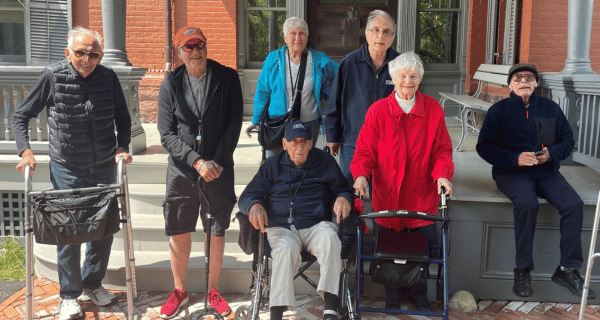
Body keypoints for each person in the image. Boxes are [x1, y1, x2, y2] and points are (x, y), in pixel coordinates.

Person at [11, 26, 132, 320]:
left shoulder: (108, 77)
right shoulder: (52, 76)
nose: (87, 59)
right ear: (68, 53)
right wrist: (25, 151)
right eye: (81, 53)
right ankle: (68, 295)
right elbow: (20, 115)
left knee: (103, 230)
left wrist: (123, 147)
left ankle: (93, 283)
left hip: (104, 165)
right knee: (69, 233)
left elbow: (123, 118)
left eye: (94, 54)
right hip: (67, 166)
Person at [476, 63, 596, 300]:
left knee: (573, 204)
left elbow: (567, 139)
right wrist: (515, 158)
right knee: (527, 204)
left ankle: (568, 269)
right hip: (511, 172)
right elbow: (484, 147)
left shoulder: (550, 108)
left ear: (536, 84)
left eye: (529, 78)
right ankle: (522, 270)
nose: (524, 81)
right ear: (510, 84)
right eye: (518, 77)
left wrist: (552, 153)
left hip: (547, 171)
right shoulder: (498, 111)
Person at [351, 52, 454, 311]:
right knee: (389, 246)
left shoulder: (432, 109)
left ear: (420, 80)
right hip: (388, 192)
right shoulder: (378, 111)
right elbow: (365, 150)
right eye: (402, 76)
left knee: (422, 244)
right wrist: (361, 174)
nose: (408, 81)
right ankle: (393, 293)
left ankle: (419, 292)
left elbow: (442, 149)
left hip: (421, 191)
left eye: (414, 76)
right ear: (392, 78)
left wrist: (443, 174)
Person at [157, 26, 243, 319]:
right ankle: (179, 290)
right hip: (183, 169)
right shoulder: (170, 83)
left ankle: (213, 290)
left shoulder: (227, 77)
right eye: (189, 47)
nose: (196, 51)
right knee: (179, 228)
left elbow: (234, 122)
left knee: (216, 229)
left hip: (219, 168)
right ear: (179, 52)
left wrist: (217, 161)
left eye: (200, 45)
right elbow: (166, 134)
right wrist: (196, 161)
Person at [239, 121, 352, 320]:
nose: (299, 147)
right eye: (293, 142)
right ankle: (276, 314)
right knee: (285, 249)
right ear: (284, 144)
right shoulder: (272, 165)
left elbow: (343, 188)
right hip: (281, 227)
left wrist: (343, 198)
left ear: (311, 143)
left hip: (316, 225)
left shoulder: (325, 161)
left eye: (304, 142)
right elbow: (248, 196)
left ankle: (330, 309)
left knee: (330, 239)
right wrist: (254, 206)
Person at [325, 9, 400, 184]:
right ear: (366, 33)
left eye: (386, 31)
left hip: (389, 143)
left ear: (393, 36)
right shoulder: (349, 63)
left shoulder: (400, 64)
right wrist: (332, 135)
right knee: (349, 192)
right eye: (375, 30)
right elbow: (335, 102)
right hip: (353, 141)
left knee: (384, 194)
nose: (380, 36)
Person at [245, 17, 338, 157]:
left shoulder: (319, 59)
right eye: (293, 33)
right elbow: (263, 91)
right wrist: (256, 120)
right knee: (275, 165)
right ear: (285, 38)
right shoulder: (273, 59)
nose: (297, 38)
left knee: (305, 167)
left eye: (302, 33)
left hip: (308, 123)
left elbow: (341, 73)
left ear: (307, 37)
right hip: (278, 123)